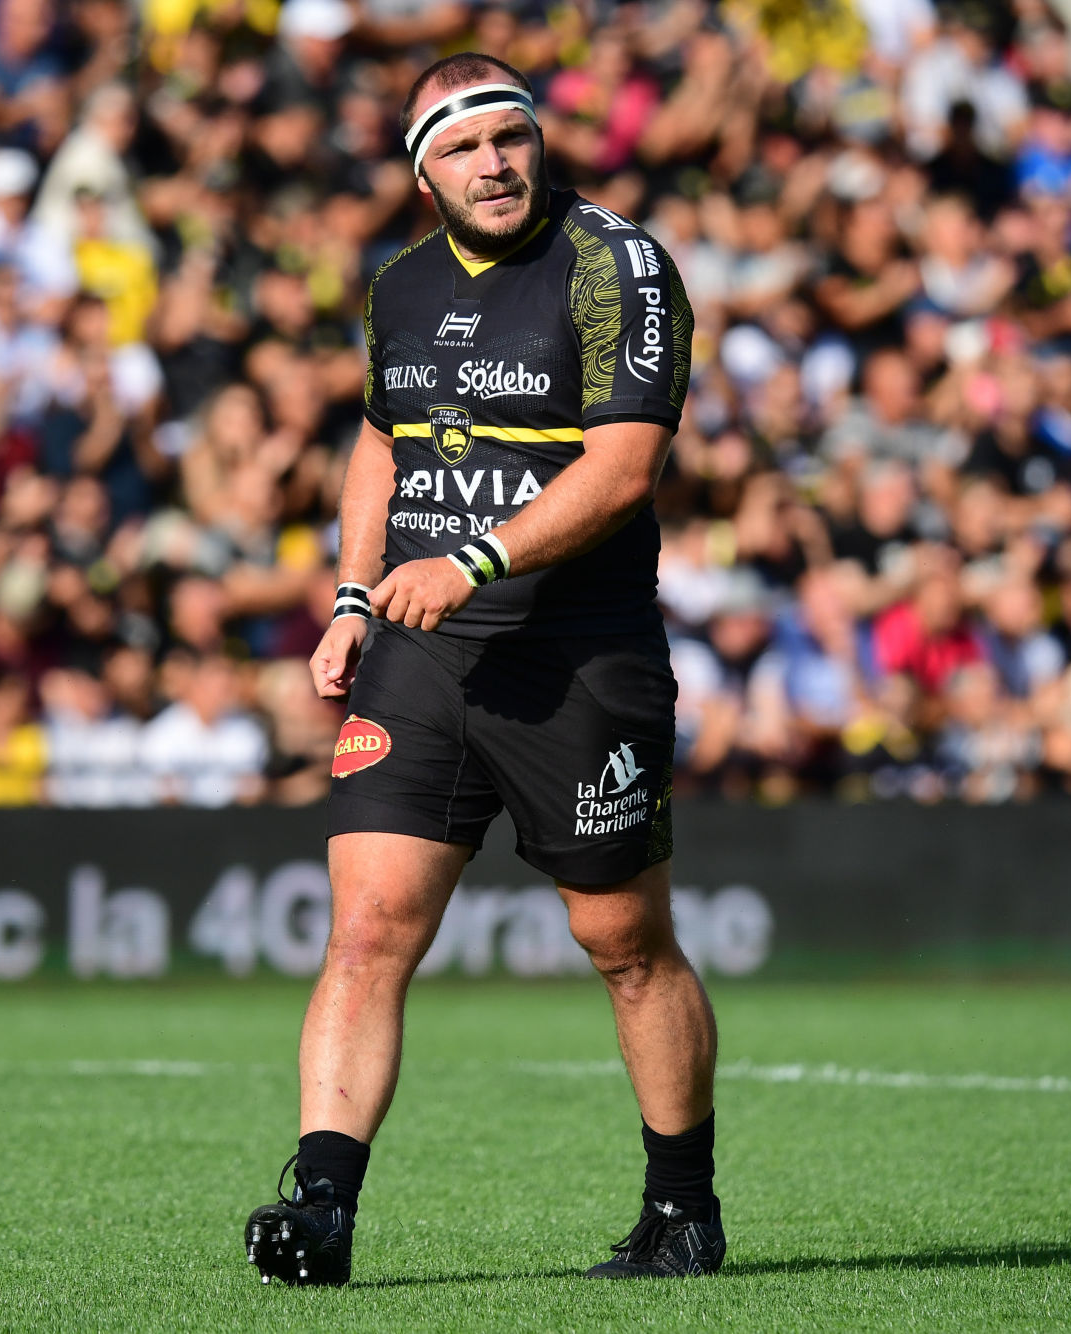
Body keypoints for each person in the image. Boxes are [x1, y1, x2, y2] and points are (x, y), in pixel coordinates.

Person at [241, 54, 715, 1287]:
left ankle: (681, 1205)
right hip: (421, 660)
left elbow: (621, 469)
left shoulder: (618, 263)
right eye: (461, 149)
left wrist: (473, 557)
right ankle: (324, 1206)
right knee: (366, 931)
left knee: (623, 941)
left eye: (510, 137)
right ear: (421, 172)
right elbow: (379, 439)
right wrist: (354, 596)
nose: (493, 163)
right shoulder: (396, 287)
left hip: (577, 661)